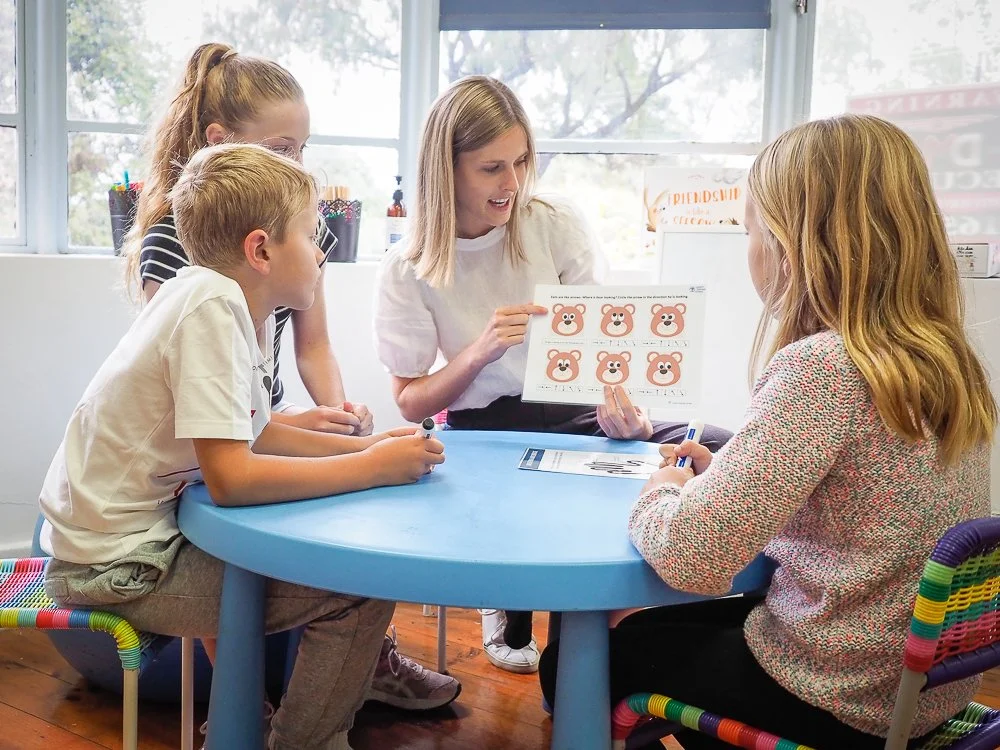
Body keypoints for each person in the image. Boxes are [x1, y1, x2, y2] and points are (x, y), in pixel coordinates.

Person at [538, 114, 998, 749]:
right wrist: (724, 476)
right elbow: (855, 499)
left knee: (570, 666)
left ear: (795, 244)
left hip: (836, 693)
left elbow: (692, 554)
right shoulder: (945, 360)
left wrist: (663, 484)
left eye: (751, 231)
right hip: (917, 689)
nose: (748, 247)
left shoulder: (824, 368)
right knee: (676, 632)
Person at [39, 143, 447, 750]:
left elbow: (252, 432)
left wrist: (360, 447)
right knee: (359, 585)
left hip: (129, 544)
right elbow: (232, 479)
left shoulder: (219, 300)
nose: (322, 252)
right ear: (261, 250)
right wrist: (371, 467)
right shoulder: (211, 307)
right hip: (116, 567)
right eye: (313, 236)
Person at [122, 42, 460, 712]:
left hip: (251, 421)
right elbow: (204, 415)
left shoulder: (294, 228)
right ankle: (245, 712)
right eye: (281, 149)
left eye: (302, 149)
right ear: (221, 143)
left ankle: (363, 664)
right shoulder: (184, 255)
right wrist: (357, 458)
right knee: (257, 548)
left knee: (347, 499)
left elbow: (314, 345)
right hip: (207, 439)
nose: (297, 165)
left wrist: (344, 418)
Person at [373, 75, 733, 674]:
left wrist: (631, 417)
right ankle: (520, 603)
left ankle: (590, 616)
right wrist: (477, 353)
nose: (511, 183)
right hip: (485, 429)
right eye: (491, 168)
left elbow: (611, 356)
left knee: (716, 446)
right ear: (447, 170)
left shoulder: (553, 223)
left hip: (578, 415)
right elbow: (410, 403)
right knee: (524, 509)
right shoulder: (407, 266)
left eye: (520, 162)